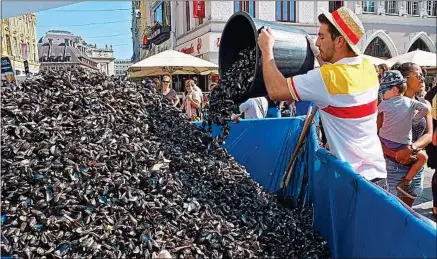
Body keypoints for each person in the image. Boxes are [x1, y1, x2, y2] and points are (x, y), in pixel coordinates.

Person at [258, 6, 386, 185]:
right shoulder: (367, 67)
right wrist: (319, 55)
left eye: (322, 36)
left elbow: (276, 90)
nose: (317, 42)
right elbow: (337, 79)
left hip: (354, 182)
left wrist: (267, 49)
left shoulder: (327, 79)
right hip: (377, 174)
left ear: (340, 41)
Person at [381, 62, 433, 207]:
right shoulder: (388, 103)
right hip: (392, 165)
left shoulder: (424, 104)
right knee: (390, 209)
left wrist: (411, 148)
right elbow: (376, 134)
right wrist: (395, 154)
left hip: (415, 165)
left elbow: (429, 134)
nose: (423, 79)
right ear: (404, 79)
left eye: (424, 75)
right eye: (419, 75)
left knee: (407, 210)